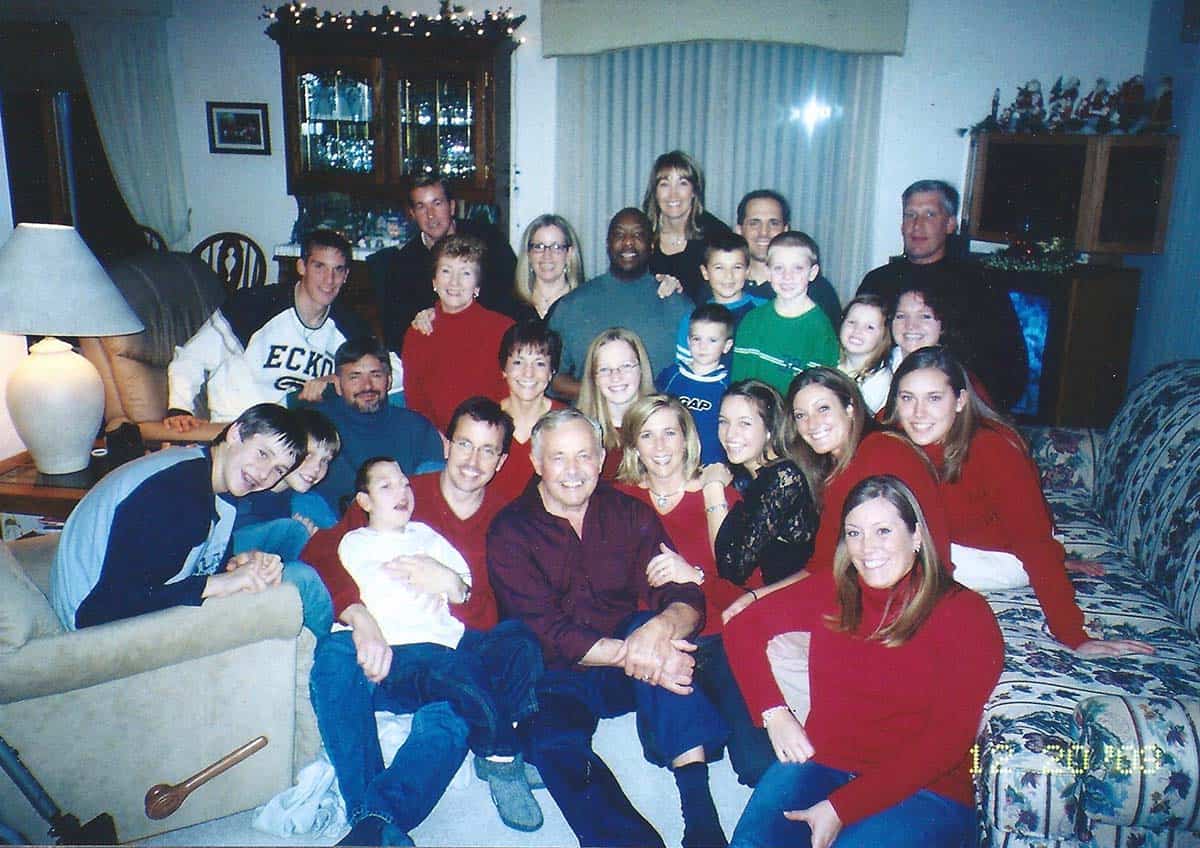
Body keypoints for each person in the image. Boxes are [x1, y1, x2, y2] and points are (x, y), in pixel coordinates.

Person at [487, 407, 731, 848]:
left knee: (659, 633)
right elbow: (547, 631)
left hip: (623, 663)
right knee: (550, 744)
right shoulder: (510, 531)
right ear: (537, 463)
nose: (574, 470)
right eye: (559, 458)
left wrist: (665, 625)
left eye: (584, 456)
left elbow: (682, 591)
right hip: (552, 673)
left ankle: (701, 820)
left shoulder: (626, 512)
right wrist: (641, 652)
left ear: (601, 459)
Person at [724, 475, 1005, 848]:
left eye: (883, 531)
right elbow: (743, 628)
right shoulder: (835, 589)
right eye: (854, 533)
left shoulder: (965, 614)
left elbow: (946, 743)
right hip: (824, 762)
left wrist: (841, 807)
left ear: (917, 535)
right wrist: (774, 714)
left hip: (924, 789)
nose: (867, 548)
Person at [320, 456, 543, 840]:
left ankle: (375, 826)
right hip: (398, 654)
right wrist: (360, 617)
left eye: (405, 483)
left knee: (518, 640)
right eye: (386, 485)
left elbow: (464, 585)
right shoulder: (354, 542)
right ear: (365, 501)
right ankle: (501, 752)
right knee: (455, 672)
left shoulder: (426, 535)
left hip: (449, 642)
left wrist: (449, 582)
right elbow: (327, 570)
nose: (402, 491)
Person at [885, 345, 1155, 657]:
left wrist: (1074, 635)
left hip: (1004, 556)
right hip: (964, 540)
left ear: (960, 400)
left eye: (934, 398)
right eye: (907, 398)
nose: (918, 413)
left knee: (894, 559)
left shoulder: (992, 448)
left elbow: (1034, 542)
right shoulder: (898, 432)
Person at [614, 395, 774, 787]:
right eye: (647, 436)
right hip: (660, 637)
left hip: (723, 637)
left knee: (758, 765)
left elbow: (749, 598)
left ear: (687, 439)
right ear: (634, 445)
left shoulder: (720, 497)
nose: (661, 447)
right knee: (661, 749)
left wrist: (695, 574)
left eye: (670, 433)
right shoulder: (618, 499)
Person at [719, 367, 949, 624]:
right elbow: (824, 564)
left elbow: (835, 567)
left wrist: (758, 598)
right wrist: (757, 597)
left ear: (850, 407)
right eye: (801, 415)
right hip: (865, 585)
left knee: (748, 624)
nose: (812, 424)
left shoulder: (881, 454)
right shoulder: (835, 468)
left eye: (823, 409)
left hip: (909, 595)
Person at [51, 403, 308, 629]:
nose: (264, 475)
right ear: (235, 433)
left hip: (121, 616)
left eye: (278, 470)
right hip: (93, 633)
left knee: (283, 578)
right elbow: (106, 608)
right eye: (263, 454)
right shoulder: (177, 491)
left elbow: (185, 567)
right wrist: (219, 584)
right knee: (296, 584)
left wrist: (236, 565)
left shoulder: (218, 490)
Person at [165, 229, 401, 432]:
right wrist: (179, 409)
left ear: (346, 275)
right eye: (319, 267)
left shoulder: (349, 325)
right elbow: (192, 358)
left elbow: (396, 373)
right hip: (239, 427)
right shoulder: (253, 307)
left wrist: (338, 379)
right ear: (302, 266)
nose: (329, 280)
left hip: (300, 436)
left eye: (338, 270)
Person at [857, 179, 1027, 411]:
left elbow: (1010, 369)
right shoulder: (878, 281)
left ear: (950, 224)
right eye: (909, 215)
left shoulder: (980, 284)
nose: (917, 226)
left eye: (929, 215)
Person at [546, 208, 693, 400]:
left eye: (638, 235)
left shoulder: (677, 305)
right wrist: (607, 393)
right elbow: (551, 378)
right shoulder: (573, 305)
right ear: (607, 244)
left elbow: (697, 378)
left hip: (656, 424)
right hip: (591, 424)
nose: (628, 242)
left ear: (652, 245)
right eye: (619, 234)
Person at [366, 176, 518, 352]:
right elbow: (396, 335)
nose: (431, 215)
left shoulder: (489, 240)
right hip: (436, 350)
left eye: (437, 203)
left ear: (452, 207)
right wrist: (418, 323)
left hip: (492, 344)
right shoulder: (403, 264)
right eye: (421, 206)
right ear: (412, 214)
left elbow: (512, 299)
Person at [296, 336, 445, 514]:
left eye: (376, 375)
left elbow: (433, 495)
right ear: (337, 384)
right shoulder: (316, 422)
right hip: (336, 528)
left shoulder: (418, 428)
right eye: (354, 377)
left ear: (389, 380)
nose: (367, 386)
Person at [228, 407, 341, 637]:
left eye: (325, 461)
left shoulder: (303, 500)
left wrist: (315, 541)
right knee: (295, 534)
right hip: (235, 571)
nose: (317, 469)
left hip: (269, 577)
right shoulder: (247, 483)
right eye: (309, 455)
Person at [705, 380, 819, 589]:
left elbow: (730, 567)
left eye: (744, 423)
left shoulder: (783, 478)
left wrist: (712, 487)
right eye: (723, 421)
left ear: (770, 429)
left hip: (795, 604)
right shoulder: (755, 477)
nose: (730, 434)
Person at [400, 233, 514, 432]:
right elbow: (416, 402)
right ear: (434, 281)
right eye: (446, 271)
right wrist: (438, 440)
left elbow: (509, 397)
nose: (455, 282)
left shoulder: (503, 329)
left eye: (465, 273)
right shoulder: (418, 332)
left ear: (477, 286)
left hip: (490, 436)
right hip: (435, 441)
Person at [730, 231, 839, 395]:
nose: (787, 277)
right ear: (768, 272)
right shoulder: (752, 320)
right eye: (779, 268)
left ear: (812, 273)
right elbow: (738, 382)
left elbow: (815, 393)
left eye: (798, 268)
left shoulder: (820, 331)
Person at [733, 190, 840, 328]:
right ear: (739, 230)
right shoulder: (722, 283)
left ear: (785, 229)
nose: (764, 232)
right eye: (754, 223)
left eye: (773, 223)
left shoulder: (816, 289)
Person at [642, 150, 732, 304]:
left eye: (682, 183)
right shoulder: (642, 233)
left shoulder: (717, 235)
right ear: (655, 192)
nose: (673, 194)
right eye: (664, 184)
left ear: (694, 191)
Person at [491, 321, 565, 504]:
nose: (528, 373)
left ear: (551, 372)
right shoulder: (487, 420)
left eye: (539, 364)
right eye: (518, 362)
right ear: (504, 369)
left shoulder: (566, 422)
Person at [671, 232, 763, 367]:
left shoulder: (763, 310)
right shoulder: (694, 318)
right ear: (705, 272)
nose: (728, 276)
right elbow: (684, 367)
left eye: (737, 267)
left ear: (748, 271)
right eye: (719, 268)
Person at [657, 304, 734, 464]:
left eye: (712, 340)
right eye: (696, 339)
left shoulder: (728, 386)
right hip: (670, 461)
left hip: (709, 465)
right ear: (688, 341)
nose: (702, 346)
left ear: (726, 346)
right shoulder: (672, 375)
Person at [576, 327, 656, 480]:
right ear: (594, 378)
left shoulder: (664, 426)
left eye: (625, 366)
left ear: (641, 369)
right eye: (605, 369)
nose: (616, 377)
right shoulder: (577, 430)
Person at [511, 213, 585, 321]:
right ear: (528, 254)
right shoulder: (511, 307)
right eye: (539, 247)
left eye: (556, 247)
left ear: (569, 254)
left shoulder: (584, 305)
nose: (547, 255)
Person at [836, 295, 893, 415]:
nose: (857, 331)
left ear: (883, 336)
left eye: (869, 327)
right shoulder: (830, 359)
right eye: (852, 322)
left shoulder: (880, 381)